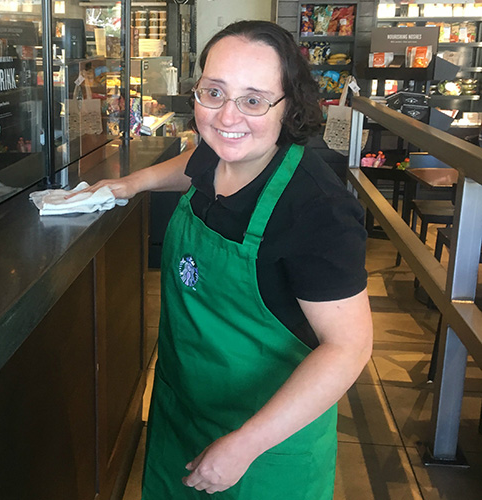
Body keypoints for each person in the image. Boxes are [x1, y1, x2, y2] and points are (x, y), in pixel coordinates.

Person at [79, 20, 372, 499]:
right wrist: (134, 183)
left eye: (253, 100)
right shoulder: (221, 154)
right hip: (182, 412)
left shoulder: (317, 211)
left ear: (288, 106)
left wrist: (244, 446)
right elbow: (196, 160)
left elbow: (349, 348)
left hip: (263, 447)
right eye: (213, 93)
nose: (226, 117)